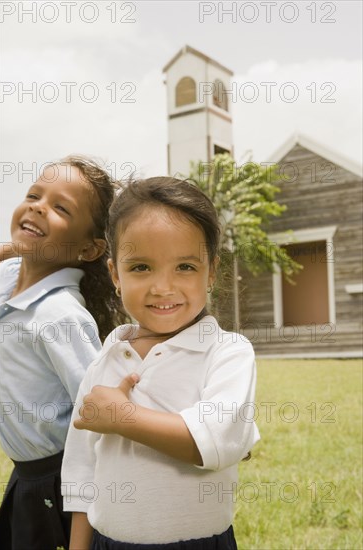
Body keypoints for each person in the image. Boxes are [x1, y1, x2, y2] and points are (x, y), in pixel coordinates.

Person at [61, 177, 260, 550]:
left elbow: (217, 441)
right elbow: (81, 474)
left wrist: (123, 417)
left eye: (185, 266)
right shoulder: (105, 361)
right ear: (115, 275)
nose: (163, 287)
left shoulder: (227, 352)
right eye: (141, 268)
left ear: (211, 272)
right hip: (109, 541)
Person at [0, 156, 125, 550]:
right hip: (26, 473)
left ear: (88, 249)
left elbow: (95, 406)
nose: (37, 206)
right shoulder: (8, 277)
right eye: (34, 195)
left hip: (60, 479)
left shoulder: (61, 316)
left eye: (60, 208)